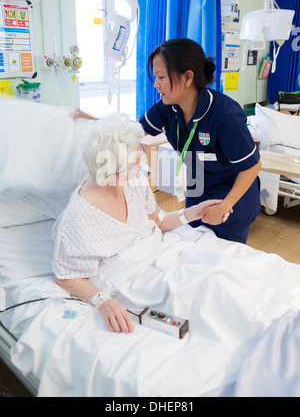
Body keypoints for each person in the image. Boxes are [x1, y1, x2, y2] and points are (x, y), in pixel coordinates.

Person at [52, 114, 231, 334]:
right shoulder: (80, 216)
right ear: (113, 169)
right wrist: (103, 301)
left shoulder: (133, 181)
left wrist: (192, 213)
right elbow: (67, 276)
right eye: (136, 161)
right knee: (205, 295)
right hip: (134, 277)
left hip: (163, 254)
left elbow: (159, 220)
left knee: (219, 276)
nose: (141, 165)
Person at [139, 38, 261, 244]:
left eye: (161, 77)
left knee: (223, 257)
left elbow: (253, 166)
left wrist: (225, 205)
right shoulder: (167, 107)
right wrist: (89, 122)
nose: (155, 84)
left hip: (231, 195)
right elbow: (134, 131)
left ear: (187, 77)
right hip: (197, 189)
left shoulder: (225, 114)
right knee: (194, 251)